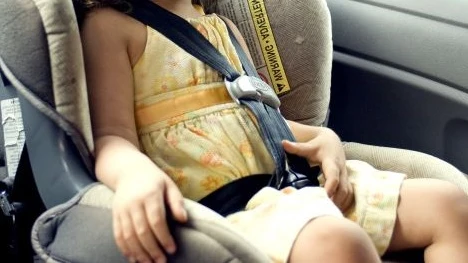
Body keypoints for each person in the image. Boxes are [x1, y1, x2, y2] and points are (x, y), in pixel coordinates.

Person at [78, 0, 468, 262]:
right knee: (341, 245)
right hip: (227, 209)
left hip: (294, 182)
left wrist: (323, 138)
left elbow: (252, 114)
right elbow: (111, 135)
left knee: (449, 205)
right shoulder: (111, 28)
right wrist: (133, 175)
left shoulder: (224, 27)